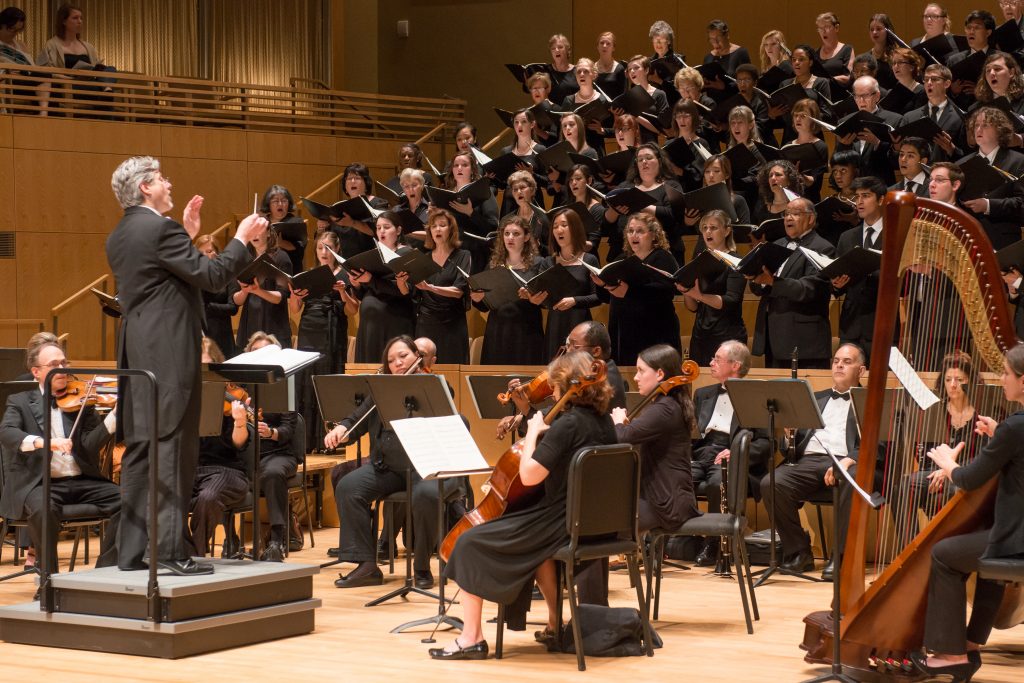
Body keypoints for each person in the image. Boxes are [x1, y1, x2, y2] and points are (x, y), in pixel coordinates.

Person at [106, 156, 267, 575]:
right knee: (174, 451)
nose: (168, 182)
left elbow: (171, 278)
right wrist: (243, 240)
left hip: (138, 355)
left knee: (142, 453)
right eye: (161, 178)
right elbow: (212, 278)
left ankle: (134, 553)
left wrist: (190, 234)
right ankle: (171, 554)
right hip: (169, 356)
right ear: (145, 188)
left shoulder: (121, 233)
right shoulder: (160, 229)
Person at [430, 351, 617, 660]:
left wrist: (532, 433)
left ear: (563, 384)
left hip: (560, 522)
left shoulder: (567, 425)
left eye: (552, 385)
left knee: (468, 541)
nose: (549, 392)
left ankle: (471, 638)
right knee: (534, 550)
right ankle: (555, 625)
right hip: (592, 520)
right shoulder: (602, 421)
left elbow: (529, 475)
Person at [913, 344, 1024, 682]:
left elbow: (968, 479)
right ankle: (971, 644)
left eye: (1006, 373)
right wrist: (997, 435)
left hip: (1016, 538)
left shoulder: (1015, 427)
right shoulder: (1013, 428)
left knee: (944, 554)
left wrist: (948, 463)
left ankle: (950, 654)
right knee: (978, 544)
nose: (1001, 378)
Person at [325, 335, 461, 590]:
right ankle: (366, 565)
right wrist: (341, 429)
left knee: (426, 496)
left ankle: (421, 566)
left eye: (403, 356)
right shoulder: (380, 388)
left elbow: (448, 415)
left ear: (417, 357)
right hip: (388, 467)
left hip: (426, 469)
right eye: (391, 360)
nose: (397, 363)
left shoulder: (433, 385)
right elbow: (356, 418)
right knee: (348, 486)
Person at [0, 338, 121, 577]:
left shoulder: (82, 402)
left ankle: (106, 572)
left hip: (82, 480)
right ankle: (49, 580)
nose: (63, 369)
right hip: (40, 484)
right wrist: (46, 442)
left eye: (64, 362)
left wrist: (116, 415)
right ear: (36, 372)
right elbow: (7, 432)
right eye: (55, 364)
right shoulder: (20, 401)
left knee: (130, 501)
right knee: (44, 508)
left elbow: (89, 445)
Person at [760, 343, 867, 578]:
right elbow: (790, 448)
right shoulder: (813, 398)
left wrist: (849, 459)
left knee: (851, 476)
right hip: (808, 462)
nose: (839, 365)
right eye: (836, 360)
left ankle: (840, 559)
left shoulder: (870, 401)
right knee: (772, 483)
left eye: (847, 362)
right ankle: (799, 553)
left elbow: (877, 445)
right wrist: (788, 436)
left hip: (845, 463)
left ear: (861, 371)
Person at [690, 341, 772, 565]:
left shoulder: (755, 396)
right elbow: (691, 434)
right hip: (701, 452)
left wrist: (735, 452)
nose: (710, 363)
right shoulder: (702, 394)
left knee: (719, 482)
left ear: (735, 365)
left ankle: (714, 542)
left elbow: (765, 443)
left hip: (731, 456)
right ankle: (686, 538)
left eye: (717, 359)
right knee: (677, 476)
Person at [891, 351, 982, 545]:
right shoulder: (935, 409)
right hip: (936, 471)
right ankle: (910, 549)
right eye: (948, 379)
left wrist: (948, 469)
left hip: (968, 474)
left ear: (970, 381)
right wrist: (940, 468)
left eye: (959, 379)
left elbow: (985, 456)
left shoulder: (982, 412)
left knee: (954, 489)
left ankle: (953, 549)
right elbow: (925, 451)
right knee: (903, 486)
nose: (953, 385)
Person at [611, 344, 699, 533]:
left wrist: (618, 422)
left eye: (641, 371)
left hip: (666, 503)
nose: (635, 377)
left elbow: (622, 437)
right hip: (661, 497)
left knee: (602, 521)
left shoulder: (664, 408)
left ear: (660, 374)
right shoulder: (667, 404)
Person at [749, 197, 835, 369]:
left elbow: (809, 289)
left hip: (804, 343)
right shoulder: (777, 244)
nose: (788, 218)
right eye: (786, 214)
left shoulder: (823, 248)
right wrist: (755, 277)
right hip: (773, 338)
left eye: (795, 214)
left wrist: (772, 281)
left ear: (811, 218)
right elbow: (759, 287)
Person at [290, 230, 355, 451]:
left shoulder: (345, 274)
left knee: (328, 379)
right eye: (320, 248)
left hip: (333, 326)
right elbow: (295, 309)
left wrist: (344, 292)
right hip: (309, 327)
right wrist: (295, 296)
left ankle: (327, 440)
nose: (323, 252)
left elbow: (353, 310)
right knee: (307, 378)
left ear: (336, 249)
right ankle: (307, 440)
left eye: (328, 247)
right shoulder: (309, 274)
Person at [240, 332, 300, 562]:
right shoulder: (241, 387)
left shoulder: (283, 386)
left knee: (273, 473)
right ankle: (232, 539)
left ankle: (277, 538)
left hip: (278, 453)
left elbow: (289, 428)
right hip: (248, 454)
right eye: (255, 352)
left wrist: (271, 433)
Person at [189, 337, 251, 558]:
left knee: (208, 498)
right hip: (190, 470)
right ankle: (176, 551)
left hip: (226, 471)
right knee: (162, 493)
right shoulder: (183, 397)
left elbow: (239, 442)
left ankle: (194, 555)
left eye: (207, 368)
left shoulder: (232, 397)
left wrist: (240, 421)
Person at [592, 213, 680, 366]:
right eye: (630, 231)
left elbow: (666, 292)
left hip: (654, 331)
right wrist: (602, 285)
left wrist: (629, 292)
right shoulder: (622, 258)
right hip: (624, 331)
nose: (634, 235)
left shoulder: (663, 258)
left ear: (653, 235)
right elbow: (606, 298)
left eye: (640, 231)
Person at [472, 215, 545, 366]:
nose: (510, 238)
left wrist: (532, 298)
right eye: (506, 234)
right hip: (498, 330)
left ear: (526, 237)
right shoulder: (494, 264)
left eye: (516, 234)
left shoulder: (539, 263)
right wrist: (477, 299)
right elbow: (485, 305)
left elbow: (546, 300)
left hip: (526, 330)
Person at [679, 210, 748, 366]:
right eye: (704, 228)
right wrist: (686, 291)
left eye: (713, 227)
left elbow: (731, 300)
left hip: (727, 336)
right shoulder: (700, 260)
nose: (708, 232)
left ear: (727, 231)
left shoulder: (736, 261)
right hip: (700, 335)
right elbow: (693, 308)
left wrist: (701, 296)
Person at [832, 176, 886, 364]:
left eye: (866, 196)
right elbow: (838, 281)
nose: (859, 202)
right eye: (857, 197)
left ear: (881, 200)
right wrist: (836, 285)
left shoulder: (894, 234)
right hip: (851, 324)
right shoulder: (847, 237)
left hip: (882, 323)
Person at [350, 211, 415, 363]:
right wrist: (357, 284)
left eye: (386, 227)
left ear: (398, 231)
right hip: (369, 324)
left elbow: (403, 290)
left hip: (393, 321)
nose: (381, 231)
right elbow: (366, 292)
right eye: (378, 228)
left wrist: (371, 279)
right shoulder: (374, 254)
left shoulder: (405, 253)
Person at [409, 208, 471, 365]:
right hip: (427, 323)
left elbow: (458, 291)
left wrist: (431, 288)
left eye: (442, 225)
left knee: (453, 368)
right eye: (433, 226)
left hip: (453, 324)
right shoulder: (423, 258)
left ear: (451, 229)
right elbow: (414, 294)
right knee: (424, 370)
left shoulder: (463, 255)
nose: (437, 229)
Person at [957, 107, 1024, 250]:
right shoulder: (960, 165)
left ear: (1000, 130)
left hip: (1003, 240)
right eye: (976, 125)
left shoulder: (1018, 161)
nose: (978, 129)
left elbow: (1022, 204)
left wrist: (988, 205)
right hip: (968, 240)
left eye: (985, 125)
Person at [540, 208, 600, 360]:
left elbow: (598, 297)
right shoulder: (548, 262)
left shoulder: (589, 260)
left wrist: (575, 300)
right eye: (555, 226)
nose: (559, 230)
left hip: (580, 325)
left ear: (575, 228)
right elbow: (544, 299)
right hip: (555, 325)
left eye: (564, 225)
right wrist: (535, 298)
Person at [232, 221, 292, 350]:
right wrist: (245, 291)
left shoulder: (281, 257)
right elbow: (236, 300)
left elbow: (281, 297)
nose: (255, 235)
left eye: (258, 230)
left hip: (274, 321)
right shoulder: (244, 258)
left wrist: (257, 290)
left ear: (269, 232)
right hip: (250, 322)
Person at [834, 75, 902, 185]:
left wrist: (877, 143)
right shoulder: (844, 122)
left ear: (877, 96)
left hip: (881, 184)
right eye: (857, 96)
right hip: (853, 186)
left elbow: (897, 162)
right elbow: (837, 161)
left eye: (865, 95)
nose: (861, 101)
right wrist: (843, 145)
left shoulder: (894, 120)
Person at [898, 63, 966, 163]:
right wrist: (896, 147)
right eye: (926, 79)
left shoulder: (960, 117)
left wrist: (951, 149)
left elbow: (967, 155)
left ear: (947, 84)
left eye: (934, 79)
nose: (929, 83)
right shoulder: (910, 117)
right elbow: (896, 154)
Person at [194, 234, 238, 358]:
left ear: (217, 252)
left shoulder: (228, 276)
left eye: (209, 251)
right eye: (201, 253)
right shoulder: (194, 277)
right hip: (200, 333)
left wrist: (207, 307)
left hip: (222, 334)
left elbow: (233, 308)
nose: (204, 256)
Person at [614, 54, 671, 143]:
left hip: (652, 143)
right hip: (632, 143)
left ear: (646, 70)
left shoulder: (659, 94)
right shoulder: (627, 97)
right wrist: (616, 115)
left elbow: (663, 129)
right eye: (629, 69)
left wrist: (635, 116)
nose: (632, 71)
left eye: (636, 68)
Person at [261, 184, 306, 276]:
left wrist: (281, 243)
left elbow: (300, 250)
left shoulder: (296, 222)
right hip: (266, 271)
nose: (280, 204)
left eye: (284, 200)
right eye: (275, 201)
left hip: (291, 271)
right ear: (268, 204)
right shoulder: (262, 222)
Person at [815, 12, 856, 89]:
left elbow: (848, 77)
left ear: (836, 28)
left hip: (840, 95)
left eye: (827, 27)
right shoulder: (815, 53)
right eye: (820, 28)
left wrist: (825, 81)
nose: (823, 31)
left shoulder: (847, 49)